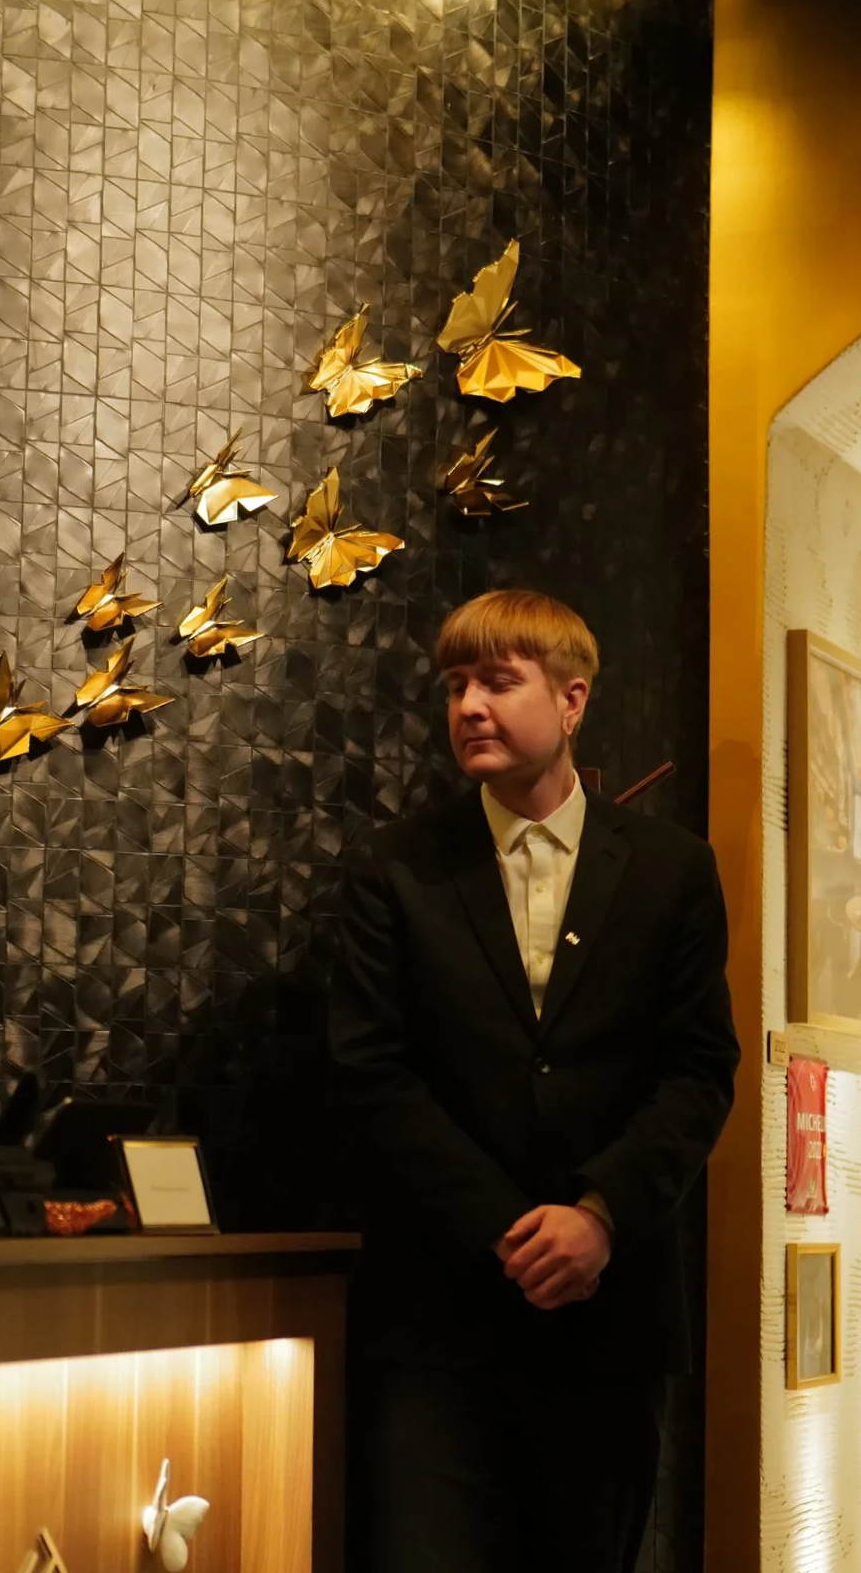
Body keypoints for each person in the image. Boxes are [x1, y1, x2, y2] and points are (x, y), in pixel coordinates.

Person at [327, 590, 740, 1573]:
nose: (468, 705)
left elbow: (698, 1070)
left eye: (497, 682)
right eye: (454, 686)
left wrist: (598, 1215)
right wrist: (507, 1226)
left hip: (612, 1320)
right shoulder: (394, 866)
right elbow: (370, 1071)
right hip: (436, 1320)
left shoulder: (673, 870)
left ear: (571, 700)